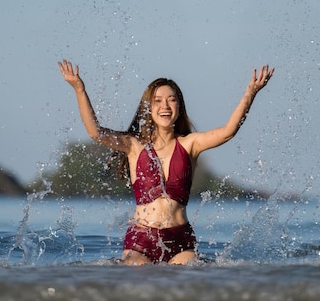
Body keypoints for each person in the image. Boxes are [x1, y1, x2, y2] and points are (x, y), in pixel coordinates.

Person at [58, 59, 274, 265]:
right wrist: (79, 89)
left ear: (179, 107)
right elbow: (96, 132)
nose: (165, 106)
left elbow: (228, 132)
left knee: (185, 281)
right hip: (141, 240)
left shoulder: (190, 144)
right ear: (149, 108)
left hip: (180, 238)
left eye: (172, 100)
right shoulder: (133, 146)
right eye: (158, 100)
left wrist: (250, 93)